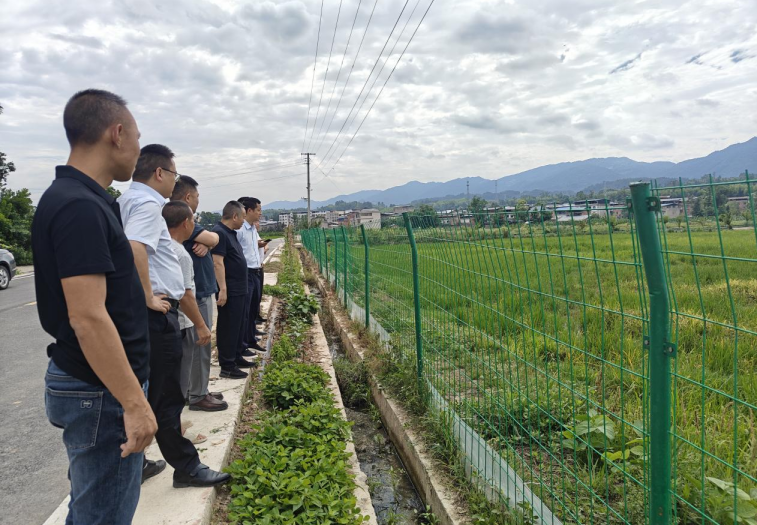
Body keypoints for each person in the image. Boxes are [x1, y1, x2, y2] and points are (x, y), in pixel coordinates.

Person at [32, 89, 157, 524]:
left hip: (99, 388)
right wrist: (134, 404)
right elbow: (87, 316)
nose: (137, 149)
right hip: (100, 391)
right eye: (137, 138)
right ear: (117, 134)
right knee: (102, 516)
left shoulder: (83, 199)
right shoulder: (78, 206)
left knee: (91, 508)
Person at [120, 144, 229, 488]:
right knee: (167, 395)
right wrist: (147, 296)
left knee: (148, 392)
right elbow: (135, 247)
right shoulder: (147, 204)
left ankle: (136, 462)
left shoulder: (127, 200)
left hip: (146, 313)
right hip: (157, 312)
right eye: (174, 174)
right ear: (160, 173)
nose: (174, 182)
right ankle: (187, 467)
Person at [163, 201, 227, 414]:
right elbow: (185, 294)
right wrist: (200, 325)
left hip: (166, 315)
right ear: (185, 223)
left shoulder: (161, 247)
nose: (195, 225)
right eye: (194, 220)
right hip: (181, 315)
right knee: (189, 357)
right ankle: (192, 400)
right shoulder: (180, 254)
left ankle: (190, 395)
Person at [212, 201, 255, 378]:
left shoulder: (231, 233)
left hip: (240, 288)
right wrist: (223, 289)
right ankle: (227, 365)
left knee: (239, 324)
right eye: (243, 217)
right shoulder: (219, 233)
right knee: (228, 326)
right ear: (235, 216)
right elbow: (217, 262)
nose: (244, 221)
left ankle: (236, 356)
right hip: (230, 290)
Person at [236, 197, 265, 355]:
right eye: (258, 210)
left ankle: (251, 339)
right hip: (245, 273)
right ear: (249, 211)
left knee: (253, 308)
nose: (260, 213)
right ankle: (243, 344)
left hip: (255, 271)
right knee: (245, 311)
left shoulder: (253, 228)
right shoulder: (240, 230)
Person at [254, 219, 268, 325]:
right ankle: (254, 318)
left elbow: (262, 245)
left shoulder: (255, 233)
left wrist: (264, 245)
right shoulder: (249, 233)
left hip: (259, 266)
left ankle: (257, 315)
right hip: (254, 268)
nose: (258, 224)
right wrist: (262, 245)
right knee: (255, 295)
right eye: (256, 222)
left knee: (258, 293)